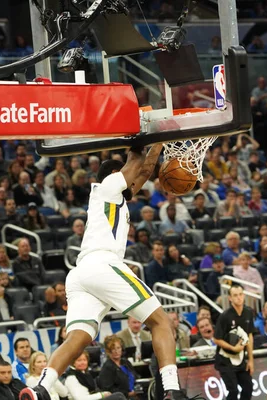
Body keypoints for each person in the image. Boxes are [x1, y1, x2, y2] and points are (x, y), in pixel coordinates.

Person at [21, 144, 189, 400]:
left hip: (81, 275)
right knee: (162, 322)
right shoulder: (107, 187)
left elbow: (143, 172)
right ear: (116, 176)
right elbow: (136, 165)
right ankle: (173, 390)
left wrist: (158, 145)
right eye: (126, 176)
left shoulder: (115, 199)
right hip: (102, 265)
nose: (134, 180)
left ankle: (41, 388)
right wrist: (139, 144)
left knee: (78, 337)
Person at [212, 284, 255, 400]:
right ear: (230, 298)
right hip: (225, 360)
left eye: (240, 294)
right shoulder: (225, 316)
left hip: (240, 359)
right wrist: (233, 349)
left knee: (248, 387)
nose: (239, 298)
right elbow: (216, 339)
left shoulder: (248, 313)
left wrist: (250, 359)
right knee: (233, 390)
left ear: (244, 295)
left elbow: (250, 335)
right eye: (235, 295)